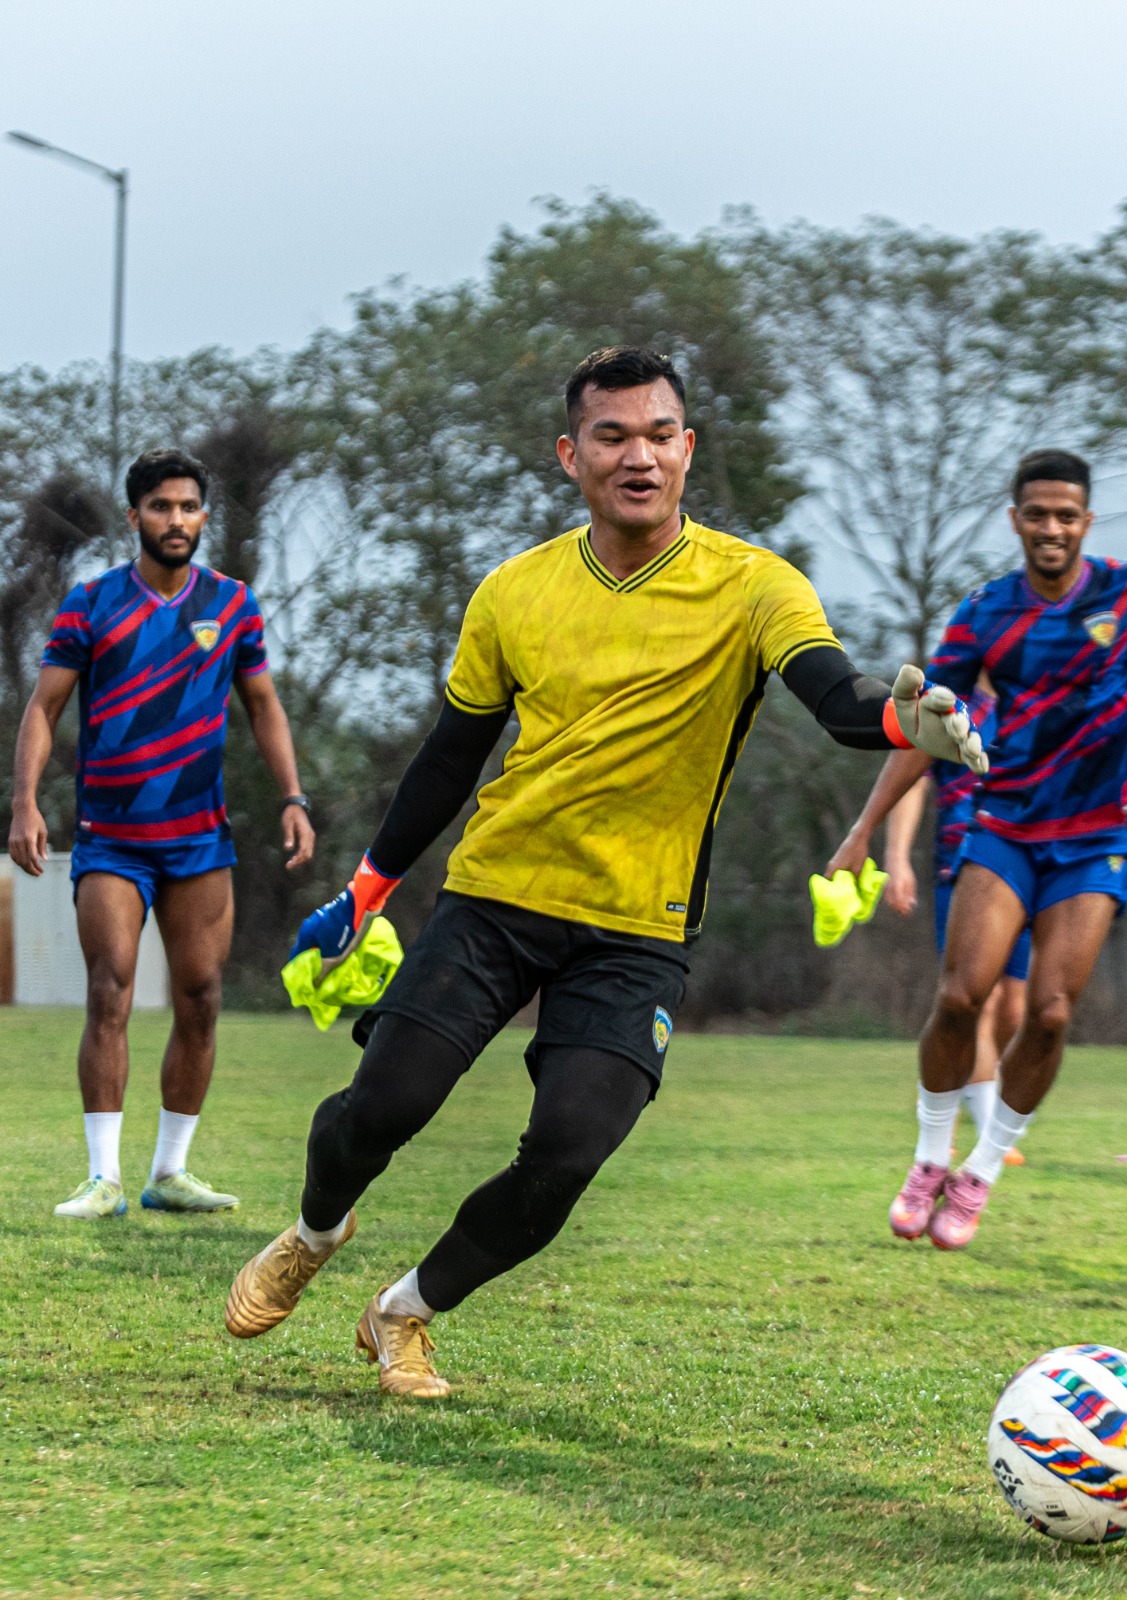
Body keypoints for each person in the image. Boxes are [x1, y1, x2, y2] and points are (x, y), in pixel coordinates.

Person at [224, 346, 986, 1398]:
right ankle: (315, 1231)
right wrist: (366, 890)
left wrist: (903, 721)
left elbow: (835, 692)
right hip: (495, 899)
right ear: (569, 454)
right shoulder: (514, 591)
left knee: (568, 1154)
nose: (640, 456)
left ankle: (405, 1311)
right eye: (612, 436)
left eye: (660, 434)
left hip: (637, 930)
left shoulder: (754, 586)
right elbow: (449, 757)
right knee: (381, 1108)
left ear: (688, 448)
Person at [828, 448, 1127, 1250]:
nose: (1053, 528)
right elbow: (925, 727)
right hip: (1004, 827)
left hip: (1096, 838)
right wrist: (863, 830)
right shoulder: (985, 613)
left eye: (1067, 515)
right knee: (961, 997)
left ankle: (980, 1172)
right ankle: (929, 1158)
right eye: (1038, 514)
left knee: (1052, 1012)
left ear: (1087, 521)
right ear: (1017, 521)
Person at [8, 448, 316, 1220]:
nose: (175, 520)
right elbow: (44, 707)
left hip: (199, 840)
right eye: (160, 507)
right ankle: (102, 1178)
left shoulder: (233, 604)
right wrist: (25, 802)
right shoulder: (91, 603)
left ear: (204, 516)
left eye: (187, 507)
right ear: (135, 516)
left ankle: (170, 1173)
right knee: (109, 986)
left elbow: (264, 706)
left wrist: (293, 797)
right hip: (111, 836)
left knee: (202, 996)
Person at [877, 683, 1029, 1169]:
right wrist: (897, 857)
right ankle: (988, 1129)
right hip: (962, 865)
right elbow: (913, 777)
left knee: (1015, 1008)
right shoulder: (950, 703)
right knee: (977, 1000)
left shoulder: (1035, 695)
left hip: (1028, 860)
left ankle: (965, 1085)